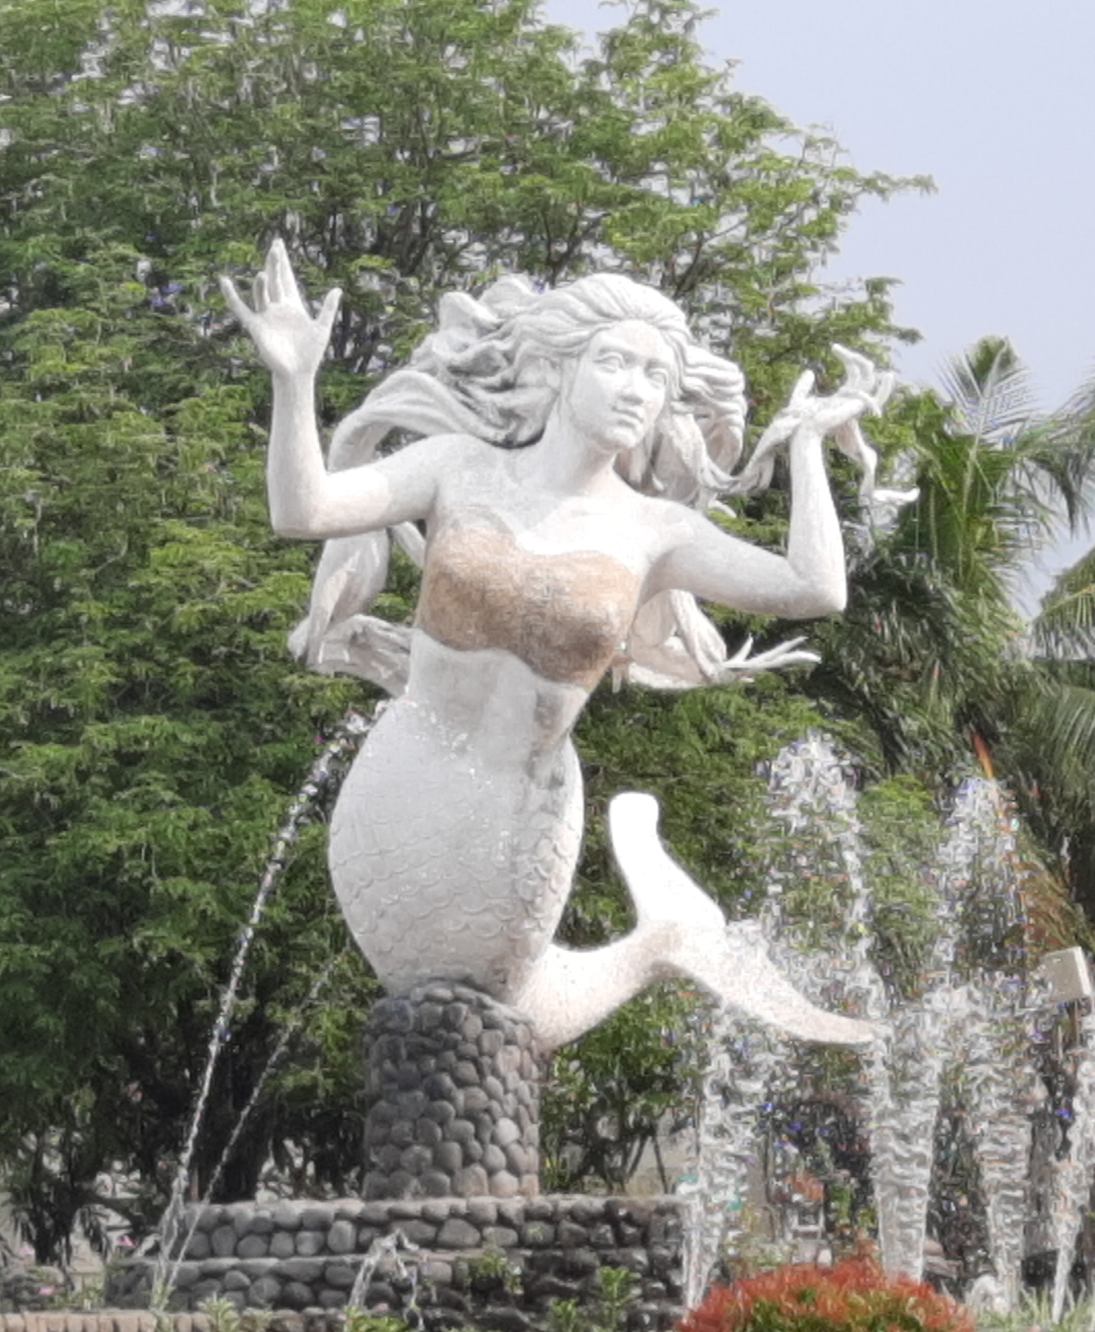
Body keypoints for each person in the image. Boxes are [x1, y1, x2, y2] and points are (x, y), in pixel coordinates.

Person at [223, 241, 883, 1050]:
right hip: (403, 776)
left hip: (527, 805)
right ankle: (664, 942)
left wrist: (809, 448)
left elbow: (815, 588)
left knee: (500, 1018)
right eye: (615, 363)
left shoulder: (657, 532)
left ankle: (661, 944)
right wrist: (295, 381)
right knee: (434, 1010)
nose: (635, 390)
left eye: (655, 377)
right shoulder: (456, 466)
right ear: (561, 367)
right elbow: (305, 510)